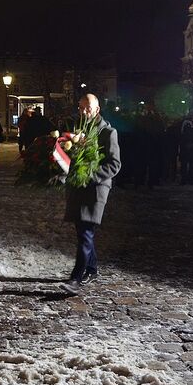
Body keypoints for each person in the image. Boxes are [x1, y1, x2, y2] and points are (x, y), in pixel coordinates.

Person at [61, 94, 121, 295]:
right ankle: (92, 268)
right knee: (82, 231)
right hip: (78, 187)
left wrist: (90, 175)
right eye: (81, 107)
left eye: (88, 108)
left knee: (86, 232)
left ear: (97, 109)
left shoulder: (108, 132)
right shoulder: (76, 130)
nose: (84, 111)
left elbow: (115, 164)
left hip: (96, 188)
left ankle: (75, 278)